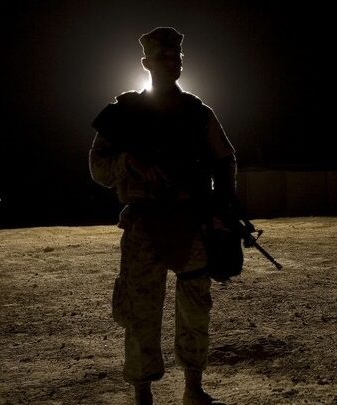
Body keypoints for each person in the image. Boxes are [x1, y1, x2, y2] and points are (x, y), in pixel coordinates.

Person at [89, 27, 236, 405]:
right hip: (144, 223)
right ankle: (143, 392)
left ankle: (193, 388)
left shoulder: (197, 113)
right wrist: (128, 162)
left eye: (177, 57)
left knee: (195, 308)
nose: (172, 62)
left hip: (191, 222)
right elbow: (98, 168)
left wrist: (224, 211)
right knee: (140, 310)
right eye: (163, 57)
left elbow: (225, 161)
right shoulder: (124, 113)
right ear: (146, 63)